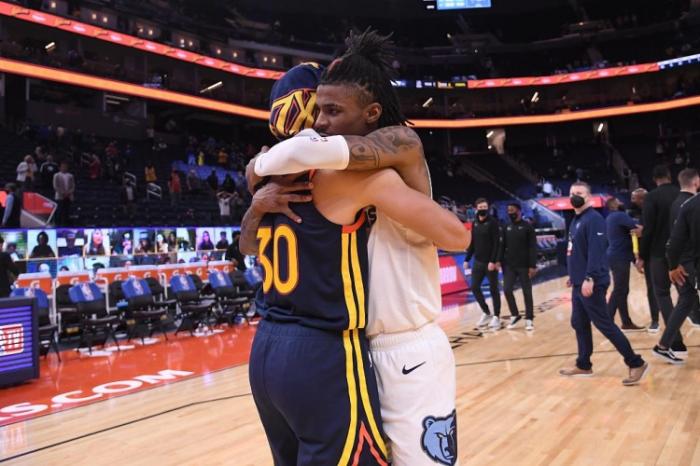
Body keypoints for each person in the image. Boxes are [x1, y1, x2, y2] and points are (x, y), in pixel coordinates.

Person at [244, 36, 469, 465]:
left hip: (407, 343)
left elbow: (458, 237)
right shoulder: (323, 177)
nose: (322, 122)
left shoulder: (397, 146)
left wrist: (255, 167)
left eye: (332, 111)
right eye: (319, 111)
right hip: (357, 347)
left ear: (371, 112)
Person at [560, 181, 648, 385]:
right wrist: (573, 275)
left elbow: (596, 252)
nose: (575, 196)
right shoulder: (576, 220)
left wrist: (589, 277)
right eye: (572, 193)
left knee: (604, 324)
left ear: (589, 197)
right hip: (578, 281)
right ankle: (584, 364)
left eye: (579, 193)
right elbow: (576, 251)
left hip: (592, 282)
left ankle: (636, 362)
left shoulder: (594, 219)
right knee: (578, 322)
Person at [653, 168, 700, 364]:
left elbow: (674, 238)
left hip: (683, 261)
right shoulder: (689, 204)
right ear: (696, 182)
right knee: (685, 301)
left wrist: (674, 264)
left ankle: (663, 345)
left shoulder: (680, 204)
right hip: (692, 262)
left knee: (685, 301)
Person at [638, 165, 683, 346]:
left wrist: (642, 256)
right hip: (682, 252)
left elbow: (648, 229)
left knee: (662, 294)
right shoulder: (681, 193)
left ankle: (675, 339)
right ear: (669, 176)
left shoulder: (651, 197)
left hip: (658, 253)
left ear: (654, 179)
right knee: (687, 293)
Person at [605, 197, 645, 331]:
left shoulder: (611, 217)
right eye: (618, 201)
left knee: (623, 290)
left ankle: (626, 322)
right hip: (619, 256)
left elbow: (629, 237)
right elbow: (637, 230)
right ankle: (607, 320)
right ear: (613, 205)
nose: (621, 202)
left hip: (618, 255)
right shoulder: (620, 215)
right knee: (620, 289)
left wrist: (635, 259)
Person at [464, 198, 503, 330]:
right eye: (480, 207)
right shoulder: (474, 223)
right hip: (478, 262)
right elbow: (473, 243)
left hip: (490, 263)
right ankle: (486, 312)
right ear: (476, 208)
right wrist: (467, 259)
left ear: (488, 208)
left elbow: (497, 244)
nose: (483, 209)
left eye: (485, 207)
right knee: (475, 287)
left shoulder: (493, 222)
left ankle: (496, 316)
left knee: (493, 289)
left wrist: (493, 261)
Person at [502, 202, 537, 331]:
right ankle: (515, 314)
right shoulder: (506, 227)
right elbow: (502, 246)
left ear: (519, 211)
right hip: (510, 265)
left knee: (527, 292)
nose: (510, 212)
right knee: (507, 289)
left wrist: (532, 265)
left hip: (524, 265)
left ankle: (529, 319)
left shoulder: (528, 227)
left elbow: (532, 247)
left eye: (512, 210)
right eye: (508, 210)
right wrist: (498, 260)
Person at [628, 188, 659, 330]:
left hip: (660, 254)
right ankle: (655, 320)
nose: (631, 201)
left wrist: (644, 232)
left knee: (676, 286)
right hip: (651, 256)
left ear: (642, 198)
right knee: (652, 288)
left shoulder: (654, 210)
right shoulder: (642, 214)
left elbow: (656, 231)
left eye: (634, 198)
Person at [53, 161, 75, 226]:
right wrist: (62, 193)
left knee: (67, 211)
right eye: (63, 166)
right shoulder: (56, 175)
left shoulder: (70, 175)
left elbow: (73, 186)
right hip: (60, 196)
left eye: (65, 166)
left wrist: (69, 193)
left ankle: (65, 224)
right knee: (60, 210)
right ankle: (58, 224)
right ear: (60, 167)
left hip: (68, 196)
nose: (64, 168)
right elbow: (55, 186)